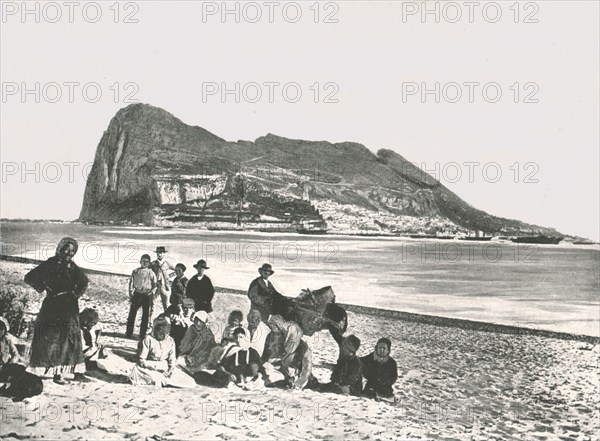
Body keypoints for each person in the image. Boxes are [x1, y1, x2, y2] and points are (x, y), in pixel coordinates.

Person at [24, 237, 89, 384]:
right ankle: (44, 372)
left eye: (73, 250)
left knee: (67, 340)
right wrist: (44, 287)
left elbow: (84, 282)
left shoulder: (73, 267)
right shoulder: (50, 263)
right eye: (67, 249)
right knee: (51, 339)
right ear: (60, 248)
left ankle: (61, 373)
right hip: (52, 306)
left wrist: (75, 294)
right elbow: (29, 277)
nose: (69, 253)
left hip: (70, 307)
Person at [129, 318, 196, 388]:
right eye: (160, 332)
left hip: (164, 368)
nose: (163, 335)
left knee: (189, 382)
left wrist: (169, 371)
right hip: (148, 368)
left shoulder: (170, 341)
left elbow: (172, 360)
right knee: (152, 378)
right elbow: (141, 361)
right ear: (156, 330)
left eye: (165, 333)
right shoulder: (148, 339)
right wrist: (157, 367)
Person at [194, 328, 263, 388]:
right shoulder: (233, 351)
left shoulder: (253, 352)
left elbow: (259, 369)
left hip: (250, 381)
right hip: (231, 380)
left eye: (241, 337)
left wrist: (254, 378)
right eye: (236, 338)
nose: (238, 340)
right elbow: (221, 366)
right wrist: (228, 374)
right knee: (217, 380)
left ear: (246, 338)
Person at [263, 315, 315, 390]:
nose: (274, 330)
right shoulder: (273, 337)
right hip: (277, 371)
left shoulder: (303, 347)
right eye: (272, 327)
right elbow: (267, 355)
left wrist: (299, 383)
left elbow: (307, 367)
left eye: (275, 327)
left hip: (297, 375)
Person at [319, 332, 363, 396]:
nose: (343, 346)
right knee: (322, 387)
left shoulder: (357, 362)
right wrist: (335, 380)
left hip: (352, 388)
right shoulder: (344, 358)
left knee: (337, 389)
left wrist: (340, 382)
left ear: (350, 349)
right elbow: (337, 370)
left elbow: (353, 378)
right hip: (339, 384)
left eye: (345, 345)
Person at [126, 254, 158, 339]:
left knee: (145, 316)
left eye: (146, 261)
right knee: (132, 314)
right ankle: (129, 333)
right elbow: (131, 282)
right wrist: (130, 292)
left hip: (146, 296)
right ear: (140, 261)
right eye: (143, 261)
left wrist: (151, 292)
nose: (144, 263)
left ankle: (142, 335)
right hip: (137, 294)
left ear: (149, 263)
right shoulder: (135, 271)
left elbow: (155, 284)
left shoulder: (151, 273)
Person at [360, 338, 398, 402]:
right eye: (380, 347)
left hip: (385, 389)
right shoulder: (370, 358)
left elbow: (393, 377)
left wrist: (385, 381)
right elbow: (359, 362)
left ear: (388, 350)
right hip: (370, 387)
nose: (381, 350)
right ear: (376, 348)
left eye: (384, 348)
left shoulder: (392, 363)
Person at [151, 246, 176, 314]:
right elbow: (148, 272)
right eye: (158, 253)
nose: (159, 254)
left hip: (164, 286)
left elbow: (176, 270)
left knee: (166, 305)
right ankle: (150, 321)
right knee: (152, 303)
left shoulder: (167, 263)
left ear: (164, 254)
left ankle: (167, 320)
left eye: (161, 253)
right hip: (155, 286)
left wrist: (168, 276)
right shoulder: (153, 264)